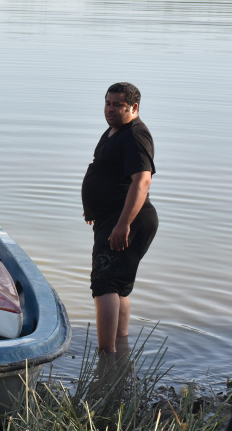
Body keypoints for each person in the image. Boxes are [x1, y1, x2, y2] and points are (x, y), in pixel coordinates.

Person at [81, 82, 158, 354]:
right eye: (108, 103)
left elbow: (142, 181)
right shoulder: (116, 130)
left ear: (133, 108)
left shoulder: (135, 135)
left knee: (104, 284)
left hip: (126, 219)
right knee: (120, 285)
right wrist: (93, 208)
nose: (110, 109)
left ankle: (106, 353)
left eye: (118, 105)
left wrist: (122, 224)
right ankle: (119, 350)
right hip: (112, 216)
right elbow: (110, 174)